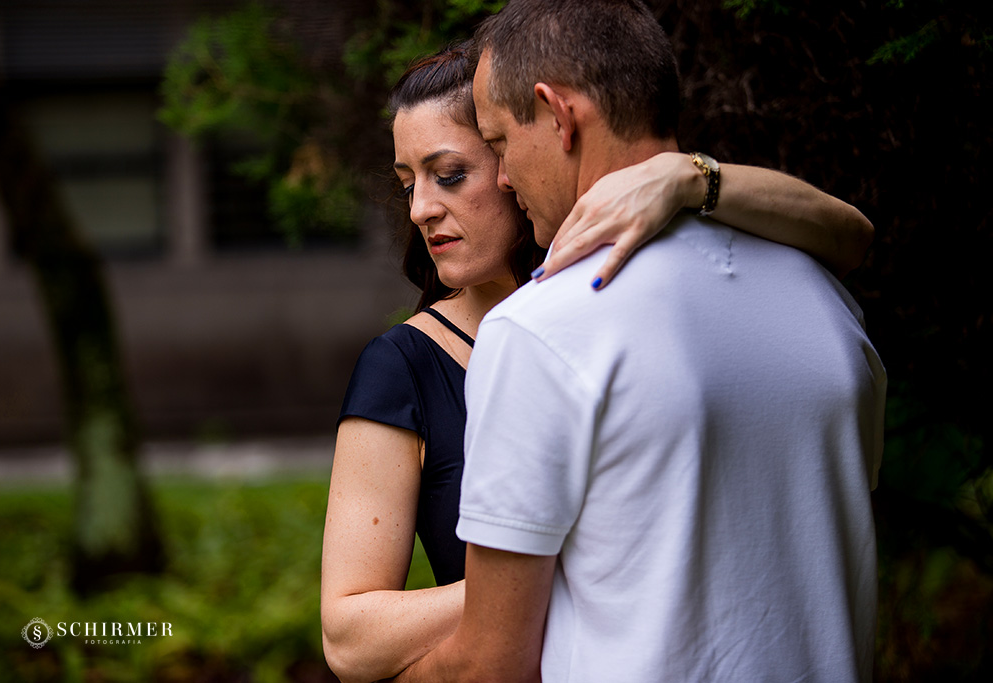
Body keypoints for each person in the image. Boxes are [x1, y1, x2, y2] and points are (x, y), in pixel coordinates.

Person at [321, 34, 879, 683]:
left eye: (450, 174)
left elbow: (851, 236)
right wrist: (550, 576)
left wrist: (688, 177)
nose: (419, 208)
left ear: (521, 151)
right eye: (406, 182)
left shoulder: (648, 310)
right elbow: (351, 635)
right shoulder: (412, 363)